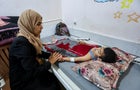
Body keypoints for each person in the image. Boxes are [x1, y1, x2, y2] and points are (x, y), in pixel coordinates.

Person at [9, 9, 62, 90]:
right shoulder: (20, 44)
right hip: (22, 83)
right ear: (29, 25)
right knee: (52, 85)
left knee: (51, 77)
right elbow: (33, 72)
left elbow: (36, 53)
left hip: (28, 75)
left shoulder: (27, 38)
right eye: (38, 24)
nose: (42, 27)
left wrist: (50, 55)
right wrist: (50, 62)